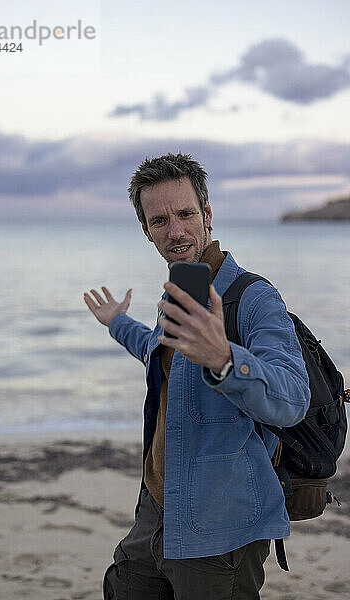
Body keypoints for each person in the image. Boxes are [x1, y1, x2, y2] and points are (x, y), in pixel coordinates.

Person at [83, 152, 310, 600]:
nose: (176, 231)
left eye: (186, 214)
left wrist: (224, 358)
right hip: (156, 508)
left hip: (220, 528)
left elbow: (291, 399)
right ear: (146, 230)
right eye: (160, 220)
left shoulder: (254, 298)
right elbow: (156, 353)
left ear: (207, 213)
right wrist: (116, 322)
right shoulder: (179, 294)